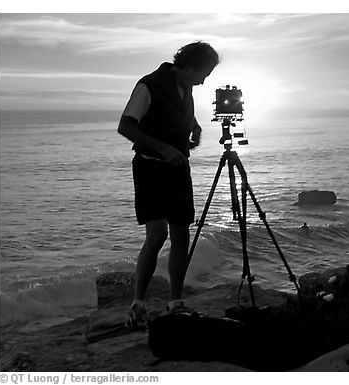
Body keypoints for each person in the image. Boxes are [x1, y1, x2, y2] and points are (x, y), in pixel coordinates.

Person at [118, 42, 220, 329]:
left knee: (181, 234)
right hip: (150, 167)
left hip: (178, 169)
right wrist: (163, 148)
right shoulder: (149, 85)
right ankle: (138, 302)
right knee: (157, 235)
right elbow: (126, 126)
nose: (203, 81)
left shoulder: (185, 86)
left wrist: (195, 126)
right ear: (187, 66)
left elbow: (181, 109)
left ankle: (175, 301)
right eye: (203, 74)